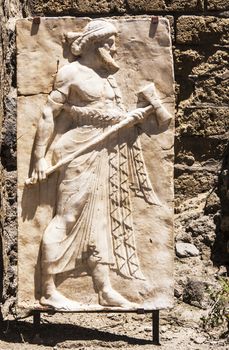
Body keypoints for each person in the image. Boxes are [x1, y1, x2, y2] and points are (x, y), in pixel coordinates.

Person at [31, 20, 160, 310]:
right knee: (67, 218)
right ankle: (48, 290)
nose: (115, 48)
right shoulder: (71, 73)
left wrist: (133, 116)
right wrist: (39, 157)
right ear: (94, 43)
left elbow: (109, 114)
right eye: (110, 42)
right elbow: (47, 115)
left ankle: (103, 288)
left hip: (104, 152)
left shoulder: (106, 77)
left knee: (100, 221)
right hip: (78, 150)